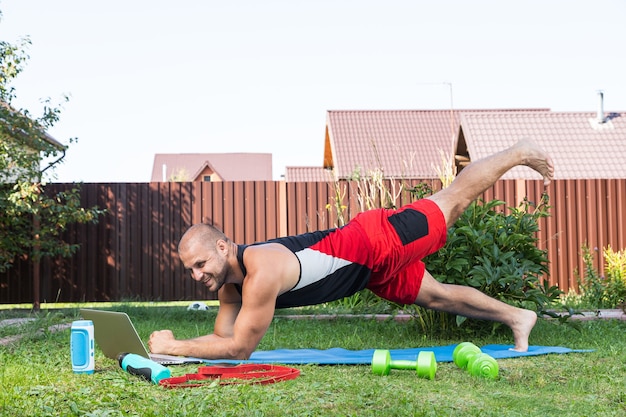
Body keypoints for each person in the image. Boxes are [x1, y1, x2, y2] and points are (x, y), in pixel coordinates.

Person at [149, 139, 554, 360]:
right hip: (370, 271)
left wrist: (174, 346)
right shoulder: (230, 288)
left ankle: (520, 151)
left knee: (454, 199)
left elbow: (239, 348)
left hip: (376, 242)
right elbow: (222, 340)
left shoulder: (261, 272)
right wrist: (175, 353)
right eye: (191, 270)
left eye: (201, 263)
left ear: (223, 246)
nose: (197, 275)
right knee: (440, 296)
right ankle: (518, 317)